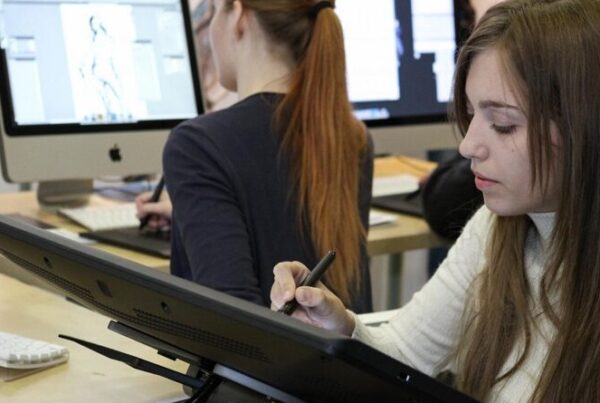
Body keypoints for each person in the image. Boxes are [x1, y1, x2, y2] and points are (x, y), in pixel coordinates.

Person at [271, 0, 600, 401]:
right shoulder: (496, 230)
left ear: (585, 125)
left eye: (503, 124)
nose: (468, 146)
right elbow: (405, 355)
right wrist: (338, 329)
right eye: (471, 114)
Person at [138, 0, 373, 312]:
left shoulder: (197, 145)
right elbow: (286, 221)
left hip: (250, 346)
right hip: (339, 344)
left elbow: (232, 317)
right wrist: (199, 212)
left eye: (214, 11)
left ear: (237, 14)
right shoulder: (351, 137)